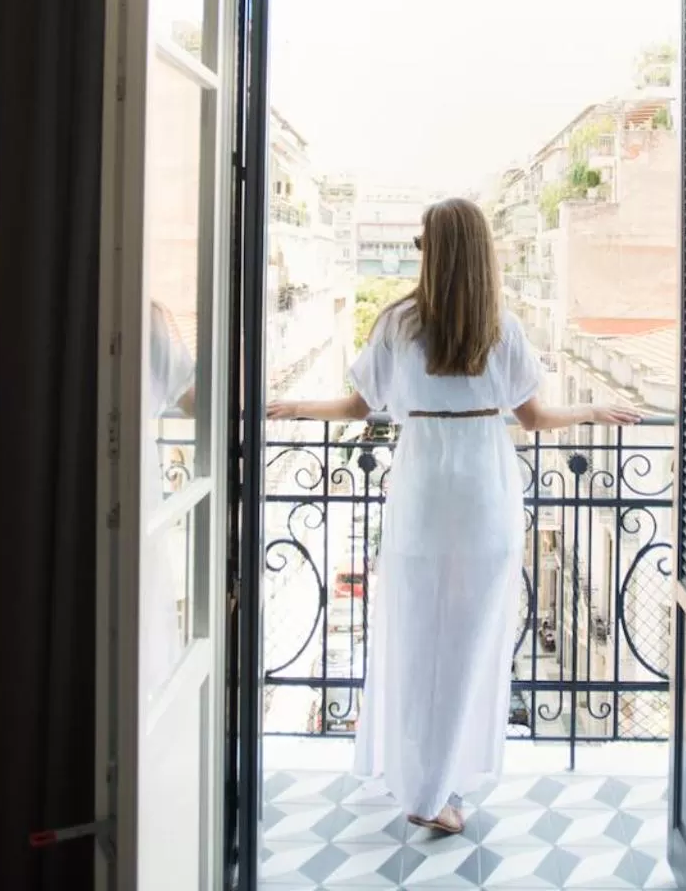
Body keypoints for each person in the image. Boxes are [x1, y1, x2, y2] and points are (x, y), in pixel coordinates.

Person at [269, 198, 637, 836]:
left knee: (414, 639)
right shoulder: (504, 328)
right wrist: (592, 411)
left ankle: (421, 780)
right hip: (485, 495)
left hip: (420, 493)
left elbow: (359, 407)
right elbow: (534, 420)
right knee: (469, 644)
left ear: (433, 253)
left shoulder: (397, 324)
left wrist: (295, 407)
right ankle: (437, 788)